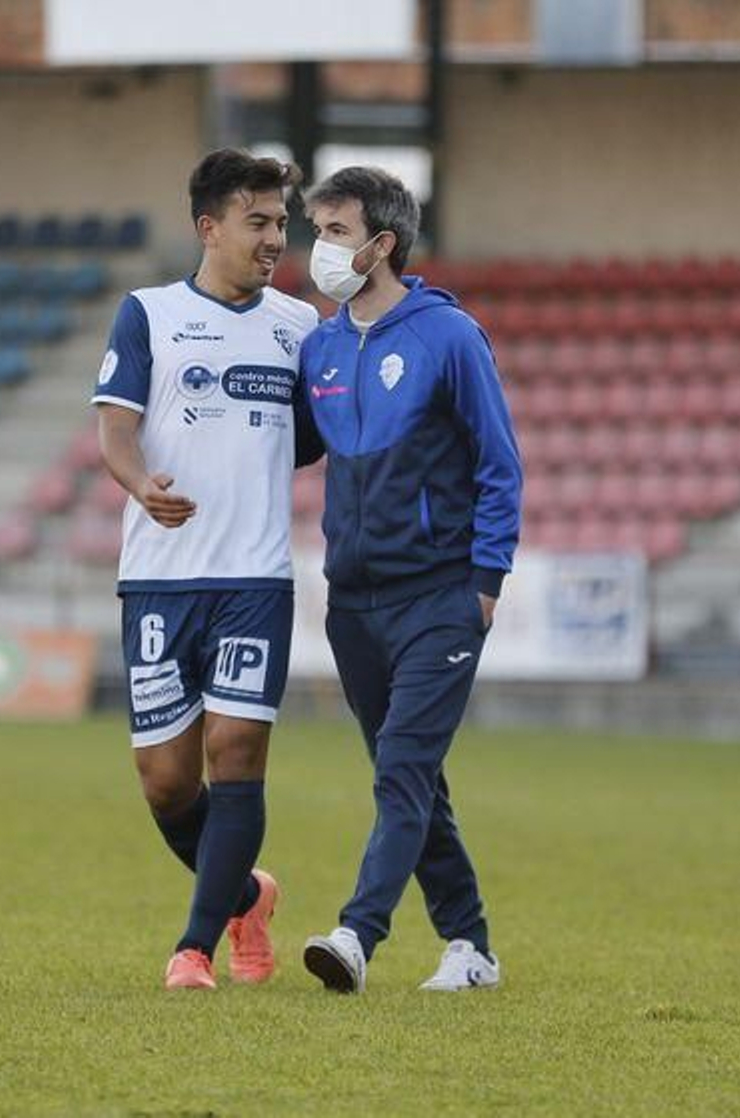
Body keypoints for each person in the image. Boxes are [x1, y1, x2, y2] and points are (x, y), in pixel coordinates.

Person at [92, 149, 319, 990]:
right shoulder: (147, 314)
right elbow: (117, 430)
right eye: (257, 222)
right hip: (158, 576)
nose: (273, 239)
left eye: (281, 223)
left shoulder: (298, 327)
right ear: (208, 227)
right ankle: (244, 898)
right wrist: (138, 482)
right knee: (166, 783)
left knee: (237, 754)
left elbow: (320, 431)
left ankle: (193, 949)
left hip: (255, 578)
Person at [296, 167, 523, 993]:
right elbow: (289, 447)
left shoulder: (448, 337)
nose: (316, 249)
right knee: (412, 776)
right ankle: (472, 947)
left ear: (382, 245)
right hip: (353, 606)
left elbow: (500, 464)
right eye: (314, 230)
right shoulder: (318, 346)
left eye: (334, 233)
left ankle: (356, 936)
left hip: (440, 599)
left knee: (400, 770)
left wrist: (486, 583)